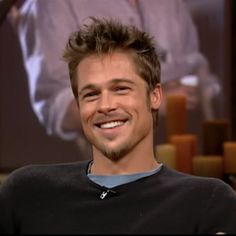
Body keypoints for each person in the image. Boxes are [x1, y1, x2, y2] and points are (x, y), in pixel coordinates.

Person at [0, 18, 235, 234]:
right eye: (91, 94)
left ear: (155, 96)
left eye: (121, 88)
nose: (105, 105)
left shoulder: (206, 202)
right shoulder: (27, 194)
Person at [12, 0, 220, 157]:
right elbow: (59, 108)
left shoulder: (170, 4)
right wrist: (149, 103)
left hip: (185, 158)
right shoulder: (52, 5)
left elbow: (200, 72)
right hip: (99, 166)